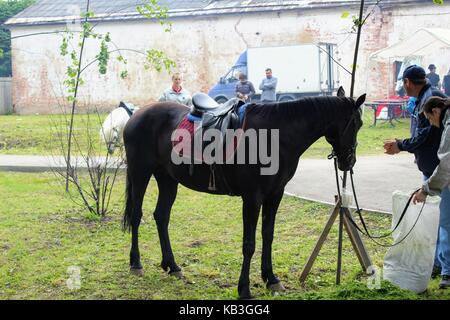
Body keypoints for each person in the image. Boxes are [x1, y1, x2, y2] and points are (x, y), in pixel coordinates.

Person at [412, 96, 450, 289]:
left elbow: (446, 165)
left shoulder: (449, 125)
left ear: (436, 111)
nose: (431, 123)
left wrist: (425, 190)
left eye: (429, 118)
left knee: (446, 223)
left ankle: (447, 271)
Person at [384, 65, 446, 180]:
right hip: (434, 169)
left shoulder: (430, 100)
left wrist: (401, 145)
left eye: (403, 83)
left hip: (441, 173)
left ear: (407, 82)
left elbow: (426, 136)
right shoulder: (425, 96)